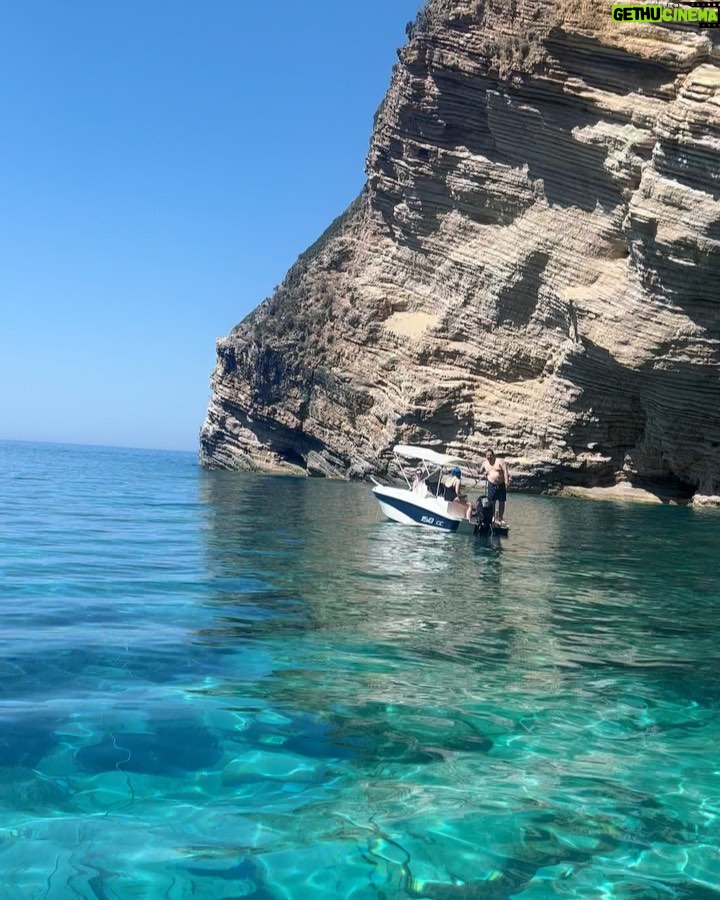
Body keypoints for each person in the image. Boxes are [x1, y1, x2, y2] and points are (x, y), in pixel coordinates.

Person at [480, 448, 510, 525]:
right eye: (487, 456)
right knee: (492, 502)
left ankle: (500, 518)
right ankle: (492, 517)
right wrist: (483, 472)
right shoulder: (485, 464)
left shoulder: (500, 462)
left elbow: (505, 472)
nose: (489, 457)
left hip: (501, 484)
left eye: (490, 455)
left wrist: (506, 482)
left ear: (493, 455)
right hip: (491, 485)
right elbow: (480, 471)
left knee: (501, 502)